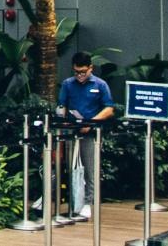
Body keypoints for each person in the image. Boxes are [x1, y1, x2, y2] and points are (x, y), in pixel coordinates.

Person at [56, 51, 117, 220]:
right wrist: (63, 119)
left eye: (83, 72)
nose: (80, 76)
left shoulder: (100, 84)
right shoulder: (68, 84)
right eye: (76, 72)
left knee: (90, 169)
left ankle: (88, 202)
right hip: (71, 132)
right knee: (72, 168)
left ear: (91, 68)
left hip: (91, 133)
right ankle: (74, 201)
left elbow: (109, 108)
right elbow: (62, 105)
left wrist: (90, 123)